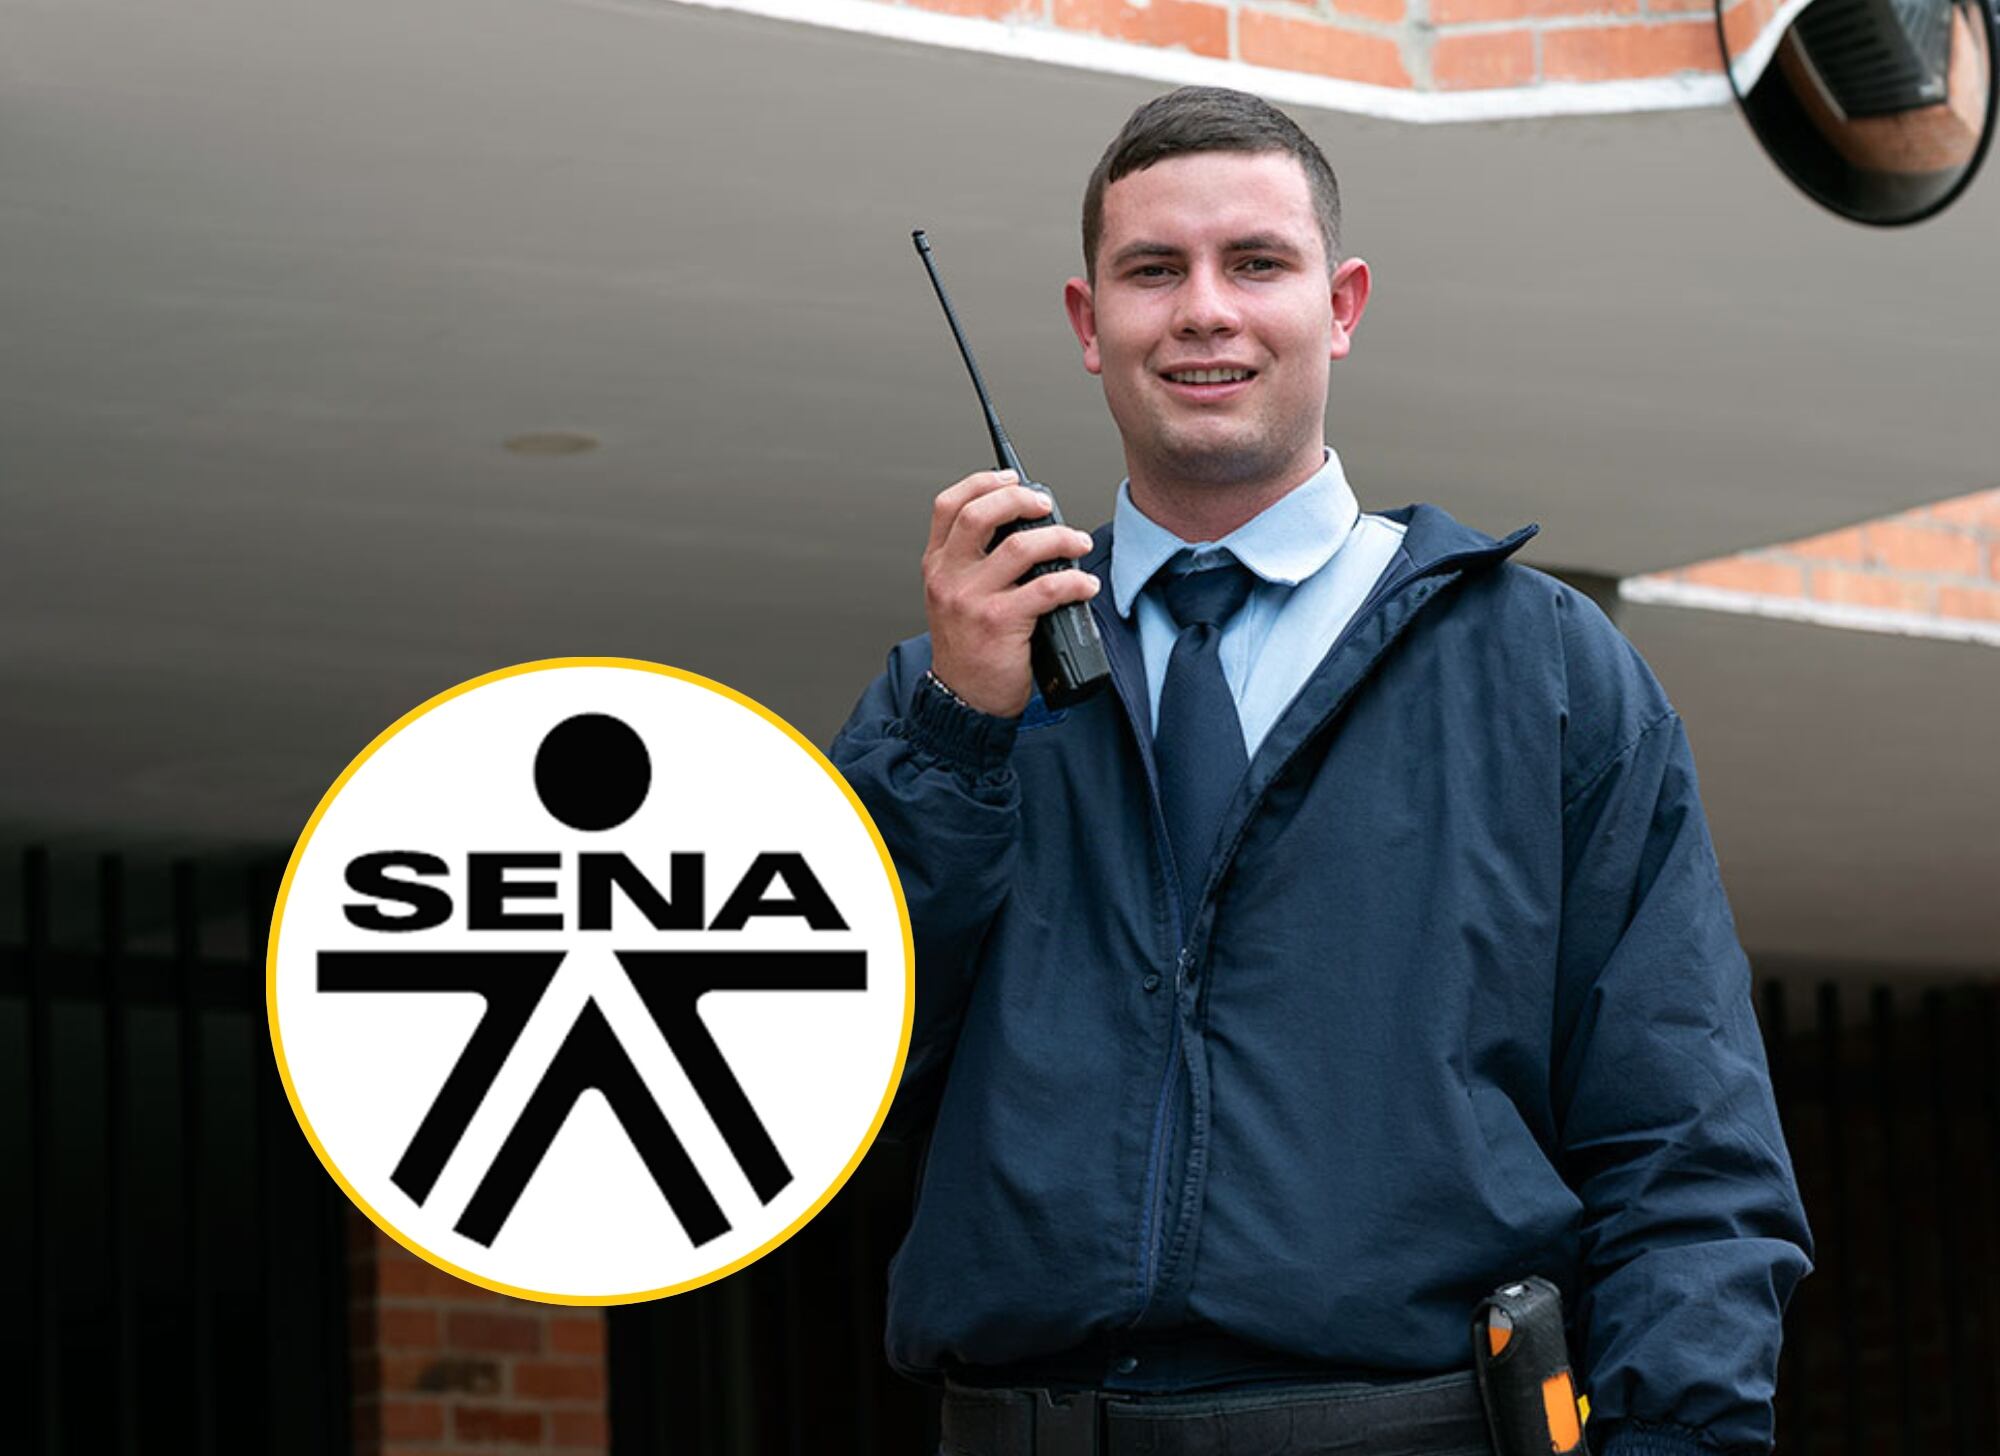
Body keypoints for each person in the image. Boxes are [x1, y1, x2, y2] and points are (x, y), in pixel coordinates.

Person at [832, 85, 1811, 1456]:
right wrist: (956, 741)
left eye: (1258, 264)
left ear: (1341, 303)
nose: (1205, 311)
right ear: (1085, 322)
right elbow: (822, 1078)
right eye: (1153, 270)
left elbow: (1689, 1145)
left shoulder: (1546, 672)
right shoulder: (953, 689)